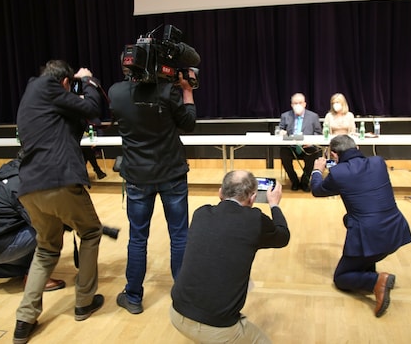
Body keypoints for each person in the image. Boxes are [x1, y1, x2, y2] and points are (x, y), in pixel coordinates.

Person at [13, 60, 106, 343]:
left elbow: (75, 124)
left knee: (46, 248)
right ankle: (83, 302)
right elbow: (91, 110)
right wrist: (89, 82)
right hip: (59, 181)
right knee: (90, 232)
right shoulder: (46, 87)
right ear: (65, 82)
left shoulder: (34, 97)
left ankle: (24, 319)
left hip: (29, 187)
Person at [108, 64, 197, 314]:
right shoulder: (168, 91)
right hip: (172, 173)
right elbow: (188, 123)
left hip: (137, 176)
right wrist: (187, 91)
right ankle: (183, 297)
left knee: (137, 238)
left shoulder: (115, 92)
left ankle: (133, 297)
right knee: (180, 236)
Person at [170, 170, 290, 343]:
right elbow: (283, 236)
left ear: (220, 193)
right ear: (252, 198)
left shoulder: (200, 213)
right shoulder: (255, 220)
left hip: (176, 312)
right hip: (218, 328)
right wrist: (274, 204)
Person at [310, 135, 411, 317]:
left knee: (341, 278)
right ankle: (368, 274)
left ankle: (377, 281)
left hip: (369, 236)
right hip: (395, 232)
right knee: (353, 221)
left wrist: (317, 170)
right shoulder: (378, 163)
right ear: (356, 146)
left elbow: (317, 190)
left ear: (334, 155)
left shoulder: (339, 173)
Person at [0, 156, 65, 295]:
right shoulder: (22, 184)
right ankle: (33, 278)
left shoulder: (14, 174)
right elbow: (40, 221)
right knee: (51, 230)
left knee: (30, 259)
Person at [278, 93, 322, 192]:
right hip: (291, 146)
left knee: (313, 153)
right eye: (295, 103)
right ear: (291, 105)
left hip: (307, 146)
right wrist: (281, 132)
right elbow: (280, 129)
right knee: (283, 153)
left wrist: (311, 141)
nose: (298, 105)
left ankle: (304, 182)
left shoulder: (313, 116)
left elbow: (318, 133)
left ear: (304, 104)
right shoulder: (285, 116)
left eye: (300, 103)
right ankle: (294, 181)